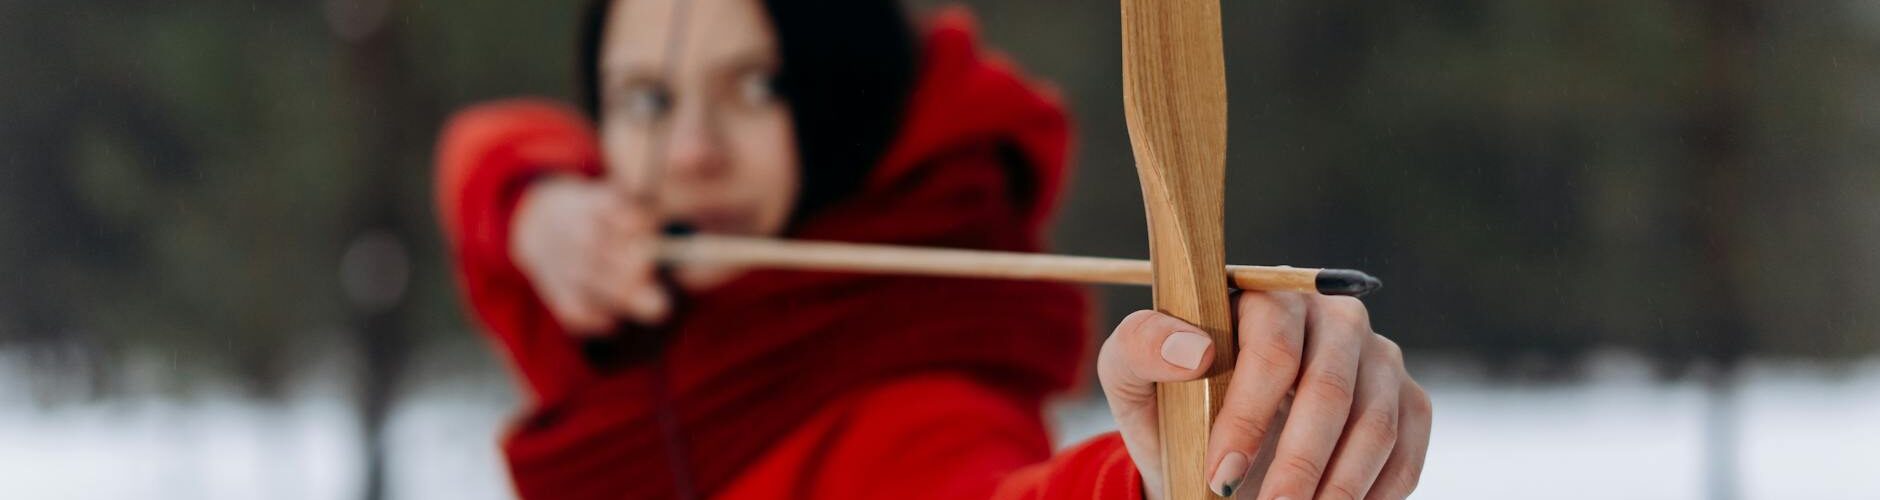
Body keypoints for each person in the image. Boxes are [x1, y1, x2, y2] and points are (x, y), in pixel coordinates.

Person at [434, 0, 1431, 498]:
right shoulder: (617, 292)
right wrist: (535, 204)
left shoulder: (909, 394)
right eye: (645, 100)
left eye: (755, 88)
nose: (686, 154)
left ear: (839, 101)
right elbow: (474, 148)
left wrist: (1187, 468)